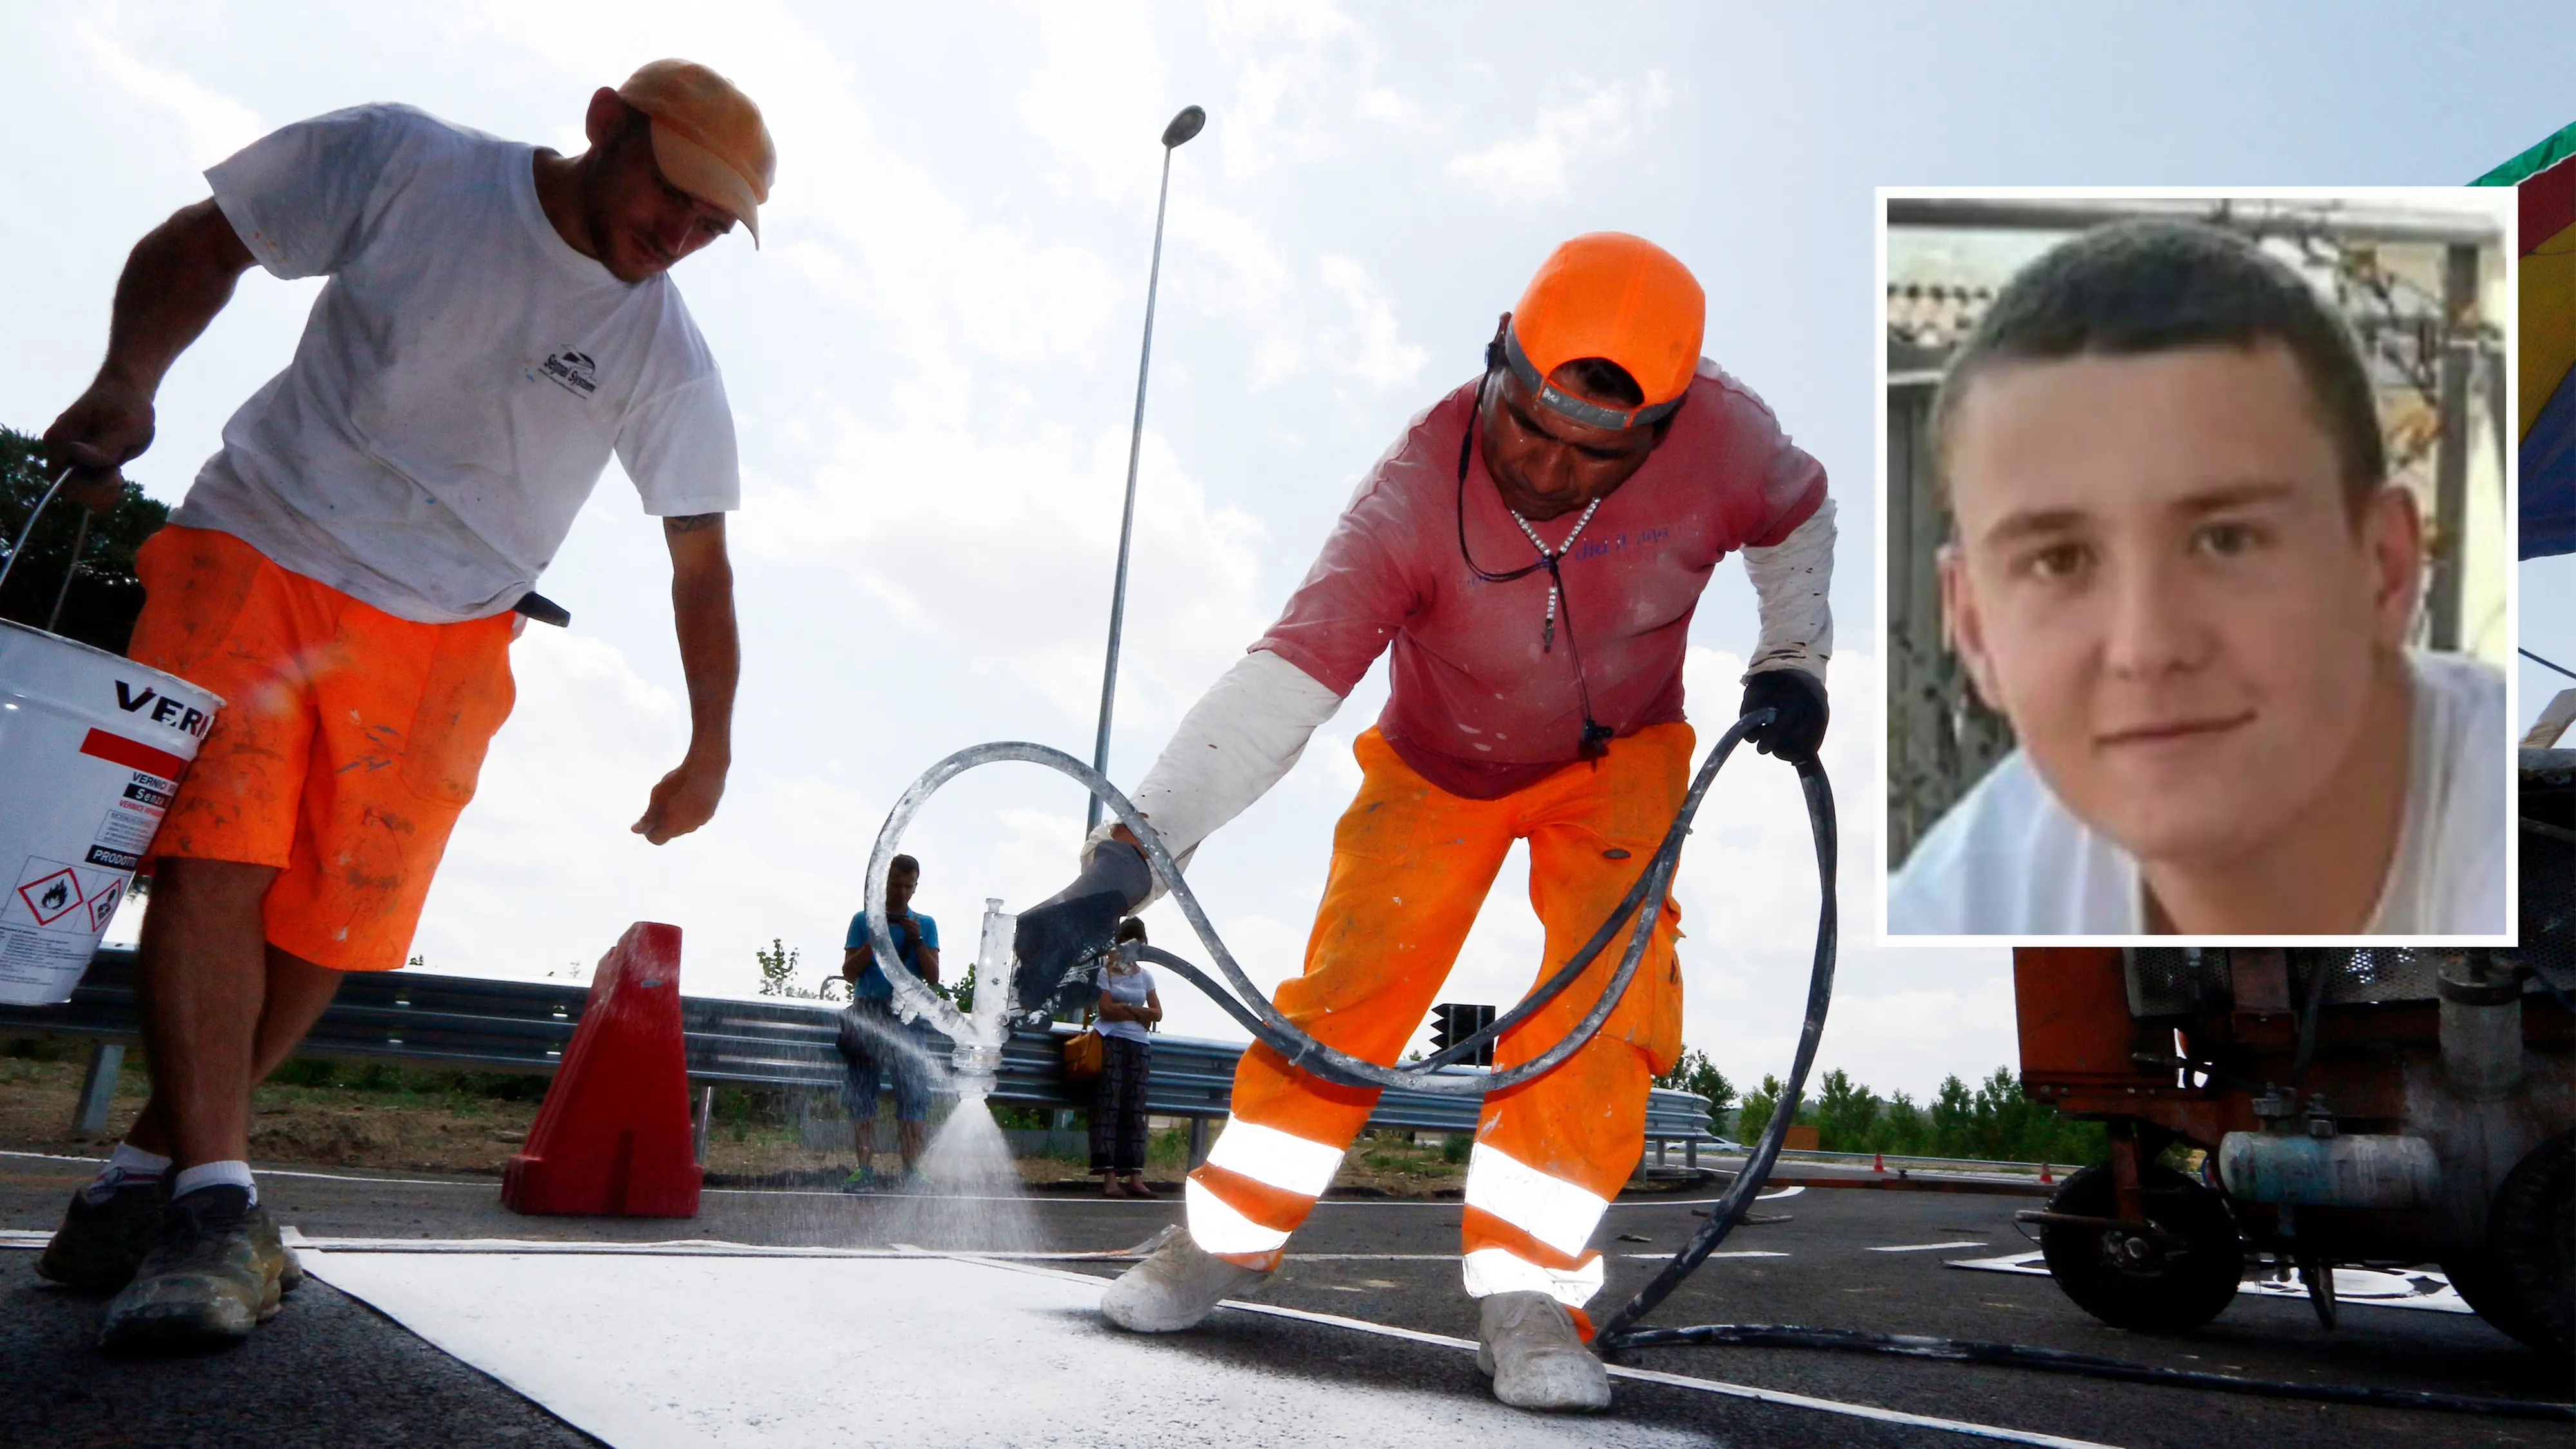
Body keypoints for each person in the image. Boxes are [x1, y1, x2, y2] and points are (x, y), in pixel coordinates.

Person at [1013, 233, 1834, 1412]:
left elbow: (1800, 519)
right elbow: (1277, 693)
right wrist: (1119, 869)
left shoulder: (1730, 440)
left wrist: (1794, 654)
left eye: (1589, 453)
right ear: (1498, 361)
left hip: (1623, 762)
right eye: (1527, 427)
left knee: (1609, 1001)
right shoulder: (1409, 494)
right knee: (1352, 993)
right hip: (1435, 765)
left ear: (1660, 428)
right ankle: (1217, 1241)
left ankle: (1531, 1294)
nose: (1547, 471)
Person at [33, 61, 772, 1350]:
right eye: (677, 192)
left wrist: (710, 745)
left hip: (448, 631)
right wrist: (127, 380)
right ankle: (217, 1209)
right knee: (216, 856)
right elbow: (204, 244)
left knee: (336, 922)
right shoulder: (409, 163)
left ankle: (140, 1180)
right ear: (606, 125)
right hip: (258, 547)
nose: (684, 233)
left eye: (716, 224)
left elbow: (700, 564)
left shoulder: (666, 352)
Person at [1887, 219, 2506, 936]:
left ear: (2385, 569)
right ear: (1973, 629)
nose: (2145, 647)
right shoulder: (1958, 911)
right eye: (2059, 561)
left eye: (2226, 541)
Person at [837, 854, 941, 1190]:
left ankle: (913, 1169)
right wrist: (876, 940)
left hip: (906, 1015)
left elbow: (934, 977)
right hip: (868, 1011)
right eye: (894, 885)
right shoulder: (863, 919)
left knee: (913, 1092)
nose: (900, 893)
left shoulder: (925, 924)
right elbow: (849, 972)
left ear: (915, 887)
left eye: (907, 887)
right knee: (862, 1091)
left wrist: (916, 940)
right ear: (884, 884)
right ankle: (863, 1168)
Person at [1091, 918, 1162, 1199]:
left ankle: (1135, 1175)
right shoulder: (1105, 973)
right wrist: (1138, 1012)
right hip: (1110, 1039)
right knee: (1108, 1107)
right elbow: (1107, 1010)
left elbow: (1157, 1013)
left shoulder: (1144, 976)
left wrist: (1129, 1009)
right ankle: (1109, 1177)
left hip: (1138, 1043)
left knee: (1135, 1109)